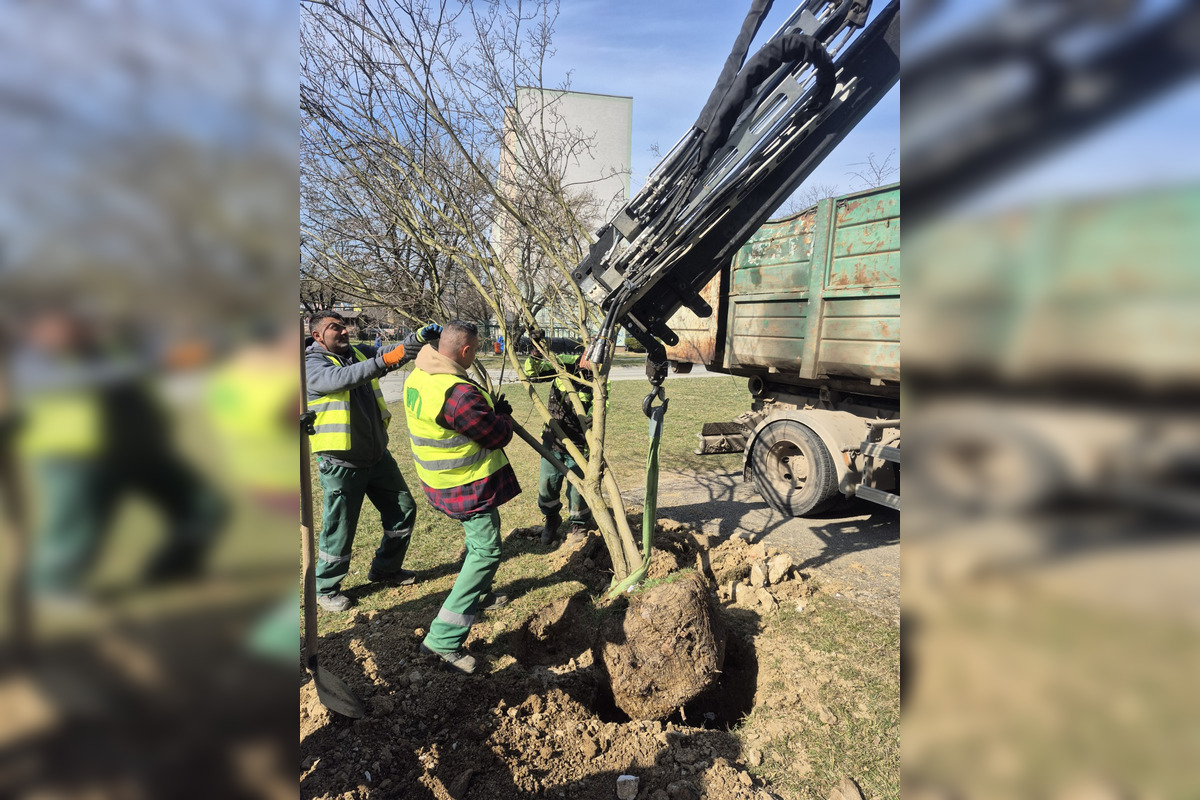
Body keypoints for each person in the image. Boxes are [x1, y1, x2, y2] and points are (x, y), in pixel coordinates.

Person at [15, 305, 227, 606]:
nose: (71, 331)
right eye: (58, 326)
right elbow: (71, 382)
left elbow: (149, 368)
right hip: (74, 457)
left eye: (74, 324)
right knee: (76, 525)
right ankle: (53, 586)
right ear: (37, 331)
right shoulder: (32, 361)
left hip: (142, 451)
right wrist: (145, 365)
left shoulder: (108, 351)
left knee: (203, 506)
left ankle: (173, 569)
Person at [403, 320, 520, 674]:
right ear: (466, 351)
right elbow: (495, 435)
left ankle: (480, 594)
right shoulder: (457, 394)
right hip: (466, 487)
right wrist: (503, 418)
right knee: (486, 551)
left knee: (476, 544)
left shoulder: (420, 374)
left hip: (440, 482)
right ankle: (442, 640)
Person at [305, 310, 442, 612]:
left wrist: (415, 340)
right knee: (339, 527)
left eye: (344, 326)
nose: (343, 331)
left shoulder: (357, 352)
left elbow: (389, 353)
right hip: (341, 463)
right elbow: (342, 379)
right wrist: (384, 362)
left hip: (377, 456)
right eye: (334, 328)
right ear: (318, 336)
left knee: (403, 509)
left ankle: (385, 568)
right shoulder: (311, 364)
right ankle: (326, 588)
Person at [523, 331, 596, 545]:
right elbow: (533, 372)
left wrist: (594, 418)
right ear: (584, 351)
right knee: (547, 483)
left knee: (578, 489)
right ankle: (551, 519)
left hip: (579, 445)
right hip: (552, 439)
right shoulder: (564, 365)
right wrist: (537, 351)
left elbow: (604, 405)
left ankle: (579, 524)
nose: (594, 361)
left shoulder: (600, 381)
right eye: (590, 354)